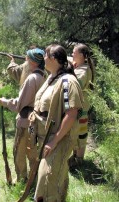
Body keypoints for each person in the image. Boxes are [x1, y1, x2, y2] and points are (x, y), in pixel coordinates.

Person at [28, 44, 83, 201]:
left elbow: (71, 114)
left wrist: (54, 141)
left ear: (52, 58)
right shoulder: (52, 78)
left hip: (57, 139)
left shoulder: (68, 81)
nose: (43, 58)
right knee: (55, 179)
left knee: (46, 182)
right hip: (45, 138)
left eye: (46, 55)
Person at [0, 48, 46, 184]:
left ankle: (22, 180)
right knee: (31, 148)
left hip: (26, 122)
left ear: (32, 61)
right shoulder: (44, 76)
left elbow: (20, 104)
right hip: (35, 123)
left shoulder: (32, 79)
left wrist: (5, 102)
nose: (25, 60)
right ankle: (33, 178)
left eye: (27, 58)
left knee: (19, 150)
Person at [68, 43, 95, 166]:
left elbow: (74, 84)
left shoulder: (83, 71)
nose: (72, 54)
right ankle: (75, 157)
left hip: (81, 107)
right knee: (75, 132)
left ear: (82, 56)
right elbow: (67, 58)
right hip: (78, 106)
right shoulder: (80, 65)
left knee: (81, 134)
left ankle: (79, 161)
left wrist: (70, 70)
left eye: (74, 52)